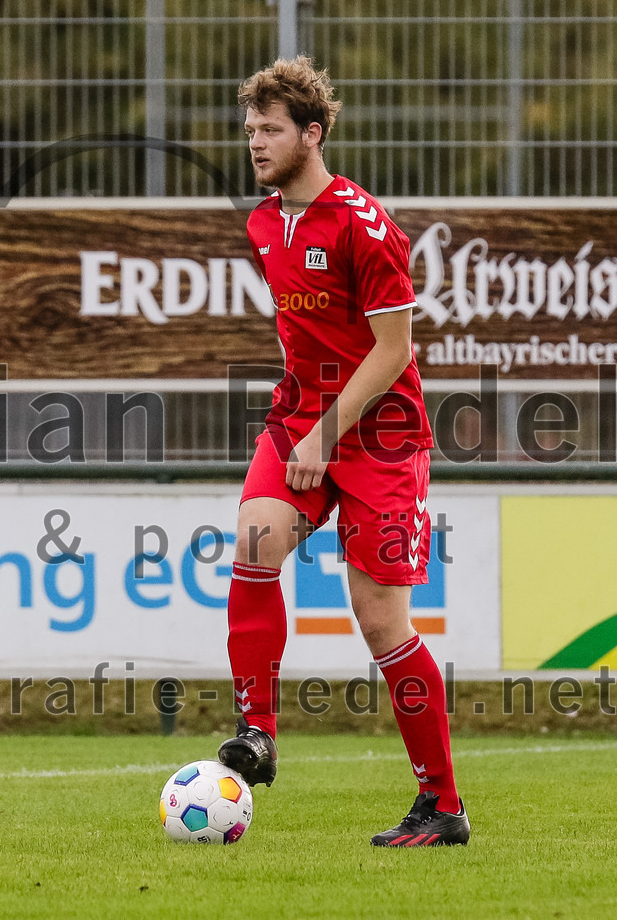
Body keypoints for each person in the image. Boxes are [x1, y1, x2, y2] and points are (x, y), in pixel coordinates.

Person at [217, 56, 470, 847]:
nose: (256, 142)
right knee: (255, 542)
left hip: (383, 437)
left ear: (311, 134)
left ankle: (443, 806)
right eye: (250, 129)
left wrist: (329, 436)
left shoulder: (364, 224)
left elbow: (394, 348)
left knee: (380, 620)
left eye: (271, 130)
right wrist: (306, 424)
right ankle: (257, 731)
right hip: (300, 417)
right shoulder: (263, 222)